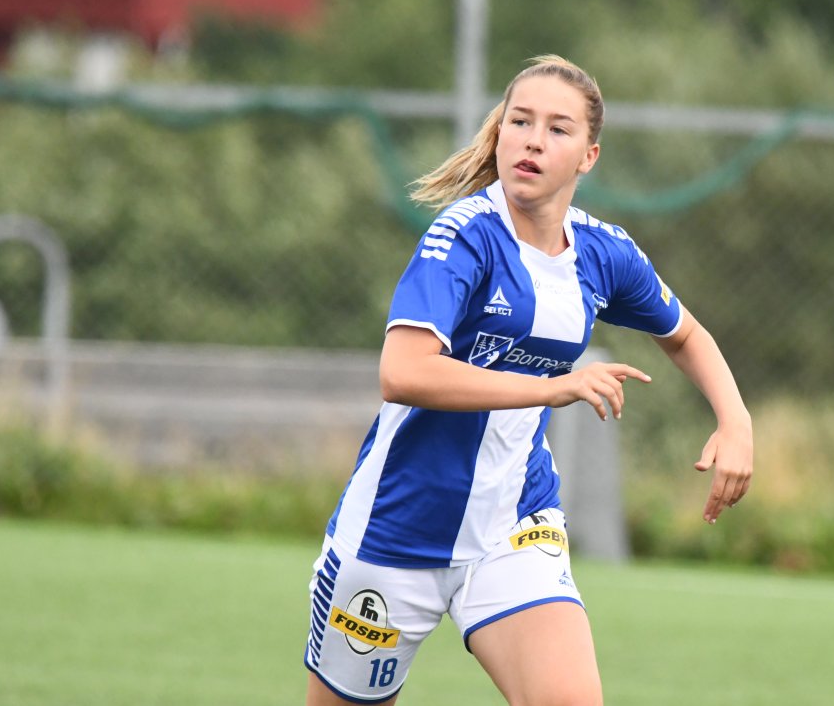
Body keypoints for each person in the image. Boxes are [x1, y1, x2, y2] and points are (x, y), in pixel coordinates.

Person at [304, 55, 754, 705]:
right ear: (499, 133)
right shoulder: (464, 236)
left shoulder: (603, 253)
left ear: (589, 156)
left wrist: (736, 421)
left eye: (558, 128)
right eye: (520, 121)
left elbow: (685, 335)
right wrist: (552, 387)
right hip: (395, 528)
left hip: (514, 525)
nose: (533, 141)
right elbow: (402, 372)